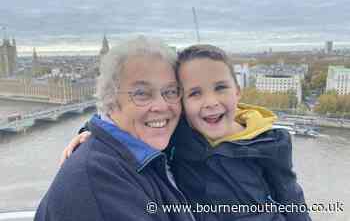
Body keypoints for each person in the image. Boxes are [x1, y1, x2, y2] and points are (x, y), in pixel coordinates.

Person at [61, 44, 311, 221]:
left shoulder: (271, 141)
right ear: (181, 103)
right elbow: (128, 126)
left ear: (238, 92)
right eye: (194, 93)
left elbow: (291, 199)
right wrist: (90, 133)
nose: (210, 102)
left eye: (220, 88)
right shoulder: (179, 135)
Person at [34, 36, 195, 221]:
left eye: (171, 91)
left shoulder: (152, 149)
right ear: (109, 100)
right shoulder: (98, 183)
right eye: (141, 93)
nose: (161, 105)